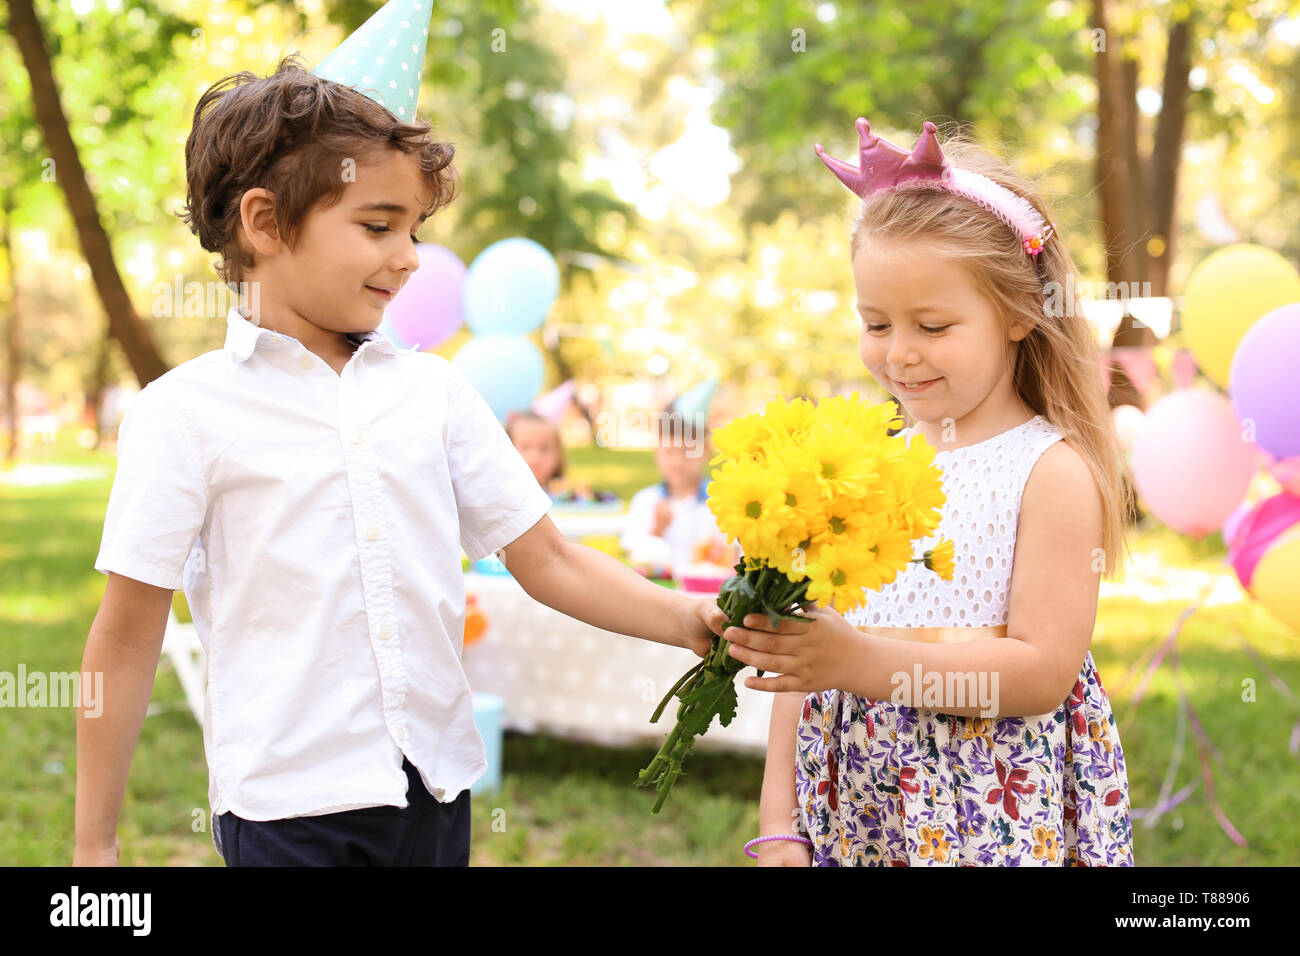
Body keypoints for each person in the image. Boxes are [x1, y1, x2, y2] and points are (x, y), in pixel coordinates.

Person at [73, 19, 727, 869]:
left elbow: (551, 560)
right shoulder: (184, 414)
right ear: (266, 223)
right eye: (380, 227)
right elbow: (127, 634)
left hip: (433, 792)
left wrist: (686, 617)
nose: (411, 258)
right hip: (286, 810)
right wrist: (95, 841)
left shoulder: (435, 394)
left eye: (414, 229)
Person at [723, 118, 1134, 866]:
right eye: (875, 323)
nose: (900, 353)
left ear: (1018, 313)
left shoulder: (1049, 472)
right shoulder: (857, 465)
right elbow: (809, 654)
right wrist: (780, 819)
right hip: (856, 814)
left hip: (987, 816)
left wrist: (862, 664)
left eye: (933, 325)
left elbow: (1043, 672)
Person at [620, 402, 732, 576]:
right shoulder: (645, 501)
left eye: (688, 451)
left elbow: (735, 557)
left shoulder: (723, 499)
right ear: (656, 452)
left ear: (706, 451)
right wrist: (658, 529)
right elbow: (633, 565)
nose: (678, 462)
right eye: (669, 452)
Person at [505, 410, 616, 504]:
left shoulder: (565, 495)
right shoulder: (505, 497)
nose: (535, 458)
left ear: (558, 455)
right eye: (525, 448)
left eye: (544, 449)